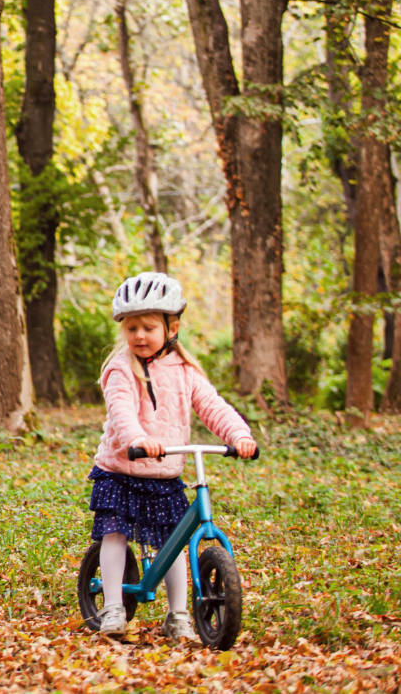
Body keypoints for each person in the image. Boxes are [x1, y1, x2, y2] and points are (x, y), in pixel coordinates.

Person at [89, 271, 257, 640]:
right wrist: (138, 438)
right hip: (122, 468)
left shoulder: (186, 371)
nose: (139, 336)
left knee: (174, 541)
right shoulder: (121, 368)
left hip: (165, 472)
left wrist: (239, 435)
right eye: (131, 328)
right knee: (114, 534)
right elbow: (121, 412)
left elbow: (213, 407)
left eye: (148, 327)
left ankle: (178, 614)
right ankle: (113, 606)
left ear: (172, 327)